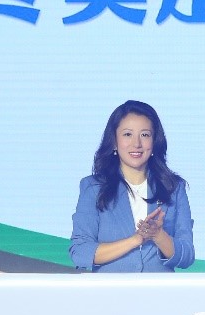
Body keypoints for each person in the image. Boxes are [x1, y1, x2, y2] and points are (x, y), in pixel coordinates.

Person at [70, 100, 194, 272]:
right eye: (128, 134)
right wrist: (135, 240)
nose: (136, 144)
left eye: (145, 135)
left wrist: (158, 235)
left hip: (160, 289)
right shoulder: (93, 188)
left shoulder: (174, 188)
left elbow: (187, 256)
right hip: (111, 288)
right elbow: (80, 252)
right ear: (114, 141)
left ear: (154, 141)